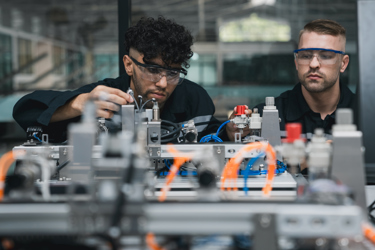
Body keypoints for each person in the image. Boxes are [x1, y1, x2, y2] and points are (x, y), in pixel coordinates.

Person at [13, 17, 233, 143]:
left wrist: (229, 133)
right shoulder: (103, 95)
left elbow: (212, 136)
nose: (164, 83)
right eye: (153, 70)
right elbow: (25, 111)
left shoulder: (193, 98)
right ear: (129, 64)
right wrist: (78, 104)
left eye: (173, 73)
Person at [226, 19, 355, 141]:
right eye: (305, 55)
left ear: (343, 64)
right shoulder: (264, 118)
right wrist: (231, 134)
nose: (314, 64)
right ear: (296, 62)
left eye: (326, 56)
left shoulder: (364, 115)